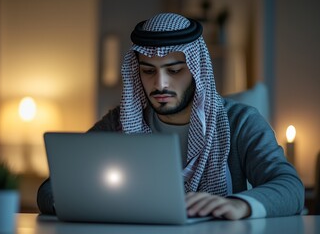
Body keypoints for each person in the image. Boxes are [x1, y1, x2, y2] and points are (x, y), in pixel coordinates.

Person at [37, 12, 304, 220]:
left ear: (196, 70)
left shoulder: (241, 122)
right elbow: (51, 189)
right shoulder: (118, 123)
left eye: (174, 70)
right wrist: (90, 203)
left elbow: (291, 188)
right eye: (148, 71)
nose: (160, 84)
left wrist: (238, 204)